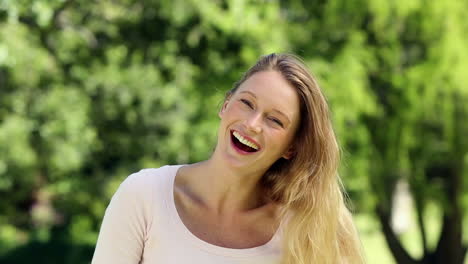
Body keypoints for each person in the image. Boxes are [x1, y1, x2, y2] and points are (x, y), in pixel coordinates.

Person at [91, 53, 365, 264]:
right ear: (225, 105)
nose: (253, 124)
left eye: (274, 120)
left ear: (290, 148)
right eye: (246, 103)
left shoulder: (306, 227)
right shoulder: (145, 195)